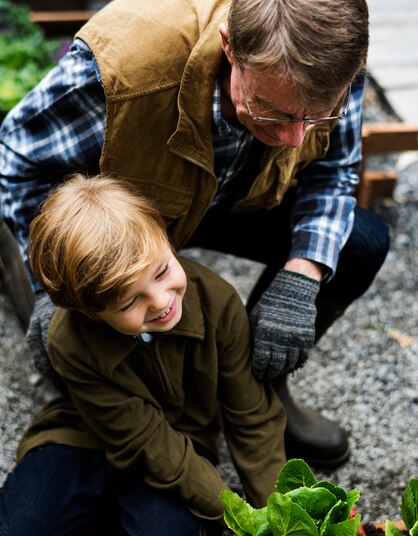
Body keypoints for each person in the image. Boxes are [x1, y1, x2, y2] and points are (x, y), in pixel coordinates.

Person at [0, 0, 390, 469]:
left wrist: (301, 277)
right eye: (273, 112)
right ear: (230, 46)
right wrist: (47, 286)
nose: (294, 139)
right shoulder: (125, 66)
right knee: (72, 340)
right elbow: (18, 160)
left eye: (316, 117)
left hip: (235, 195)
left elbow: (334, 172)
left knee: (360, 244)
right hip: (131, 206)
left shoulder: (335, 58)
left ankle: (258, 391)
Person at [0, 173, 288, 536]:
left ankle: (105, 522)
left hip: (184, 442)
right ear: (90, 312)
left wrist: (275, 522)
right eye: (130, 301)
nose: (160, 300)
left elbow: (253, 419)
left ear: (167, 240)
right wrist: (237, 516)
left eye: (163, 270)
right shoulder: (68, 338)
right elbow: (145, 439)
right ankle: (100, 514)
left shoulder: (218, 301)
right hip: (87, 435)